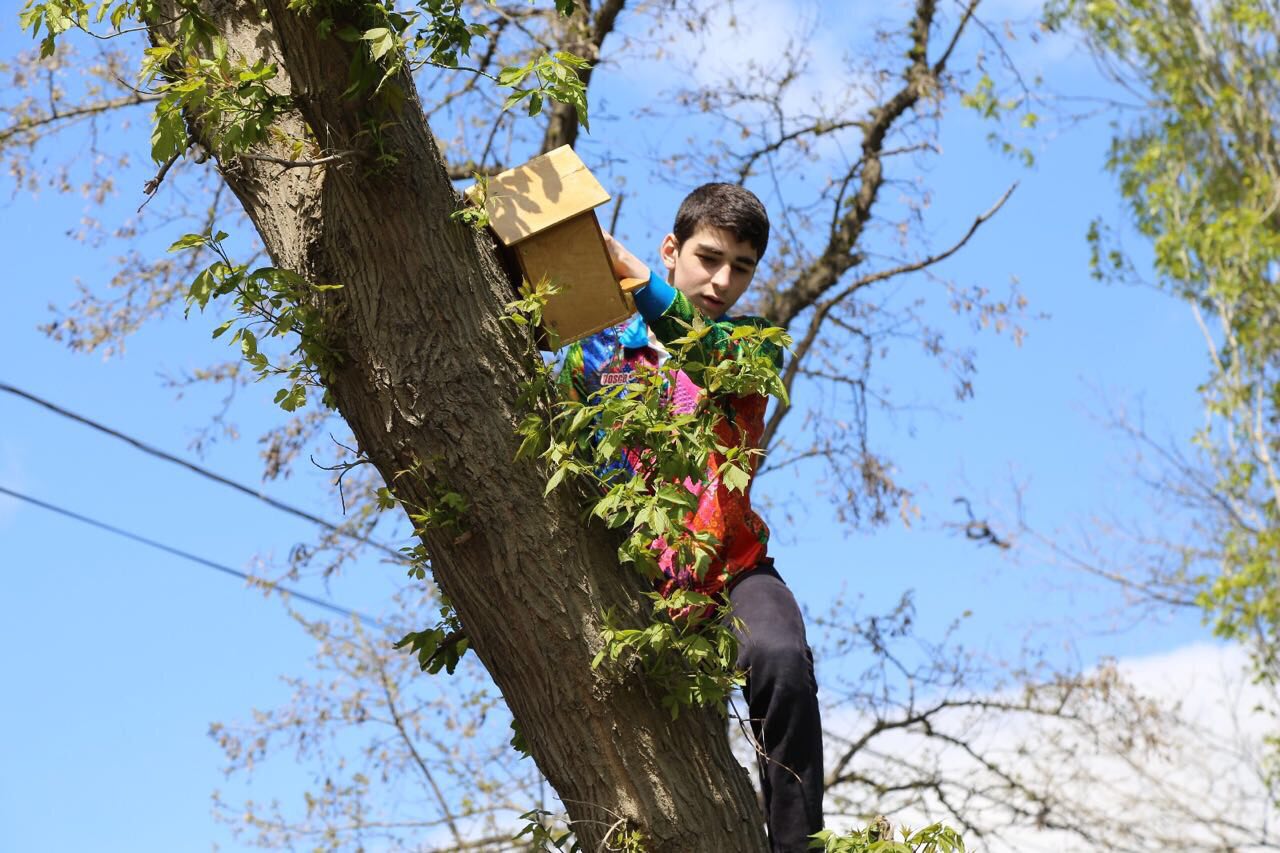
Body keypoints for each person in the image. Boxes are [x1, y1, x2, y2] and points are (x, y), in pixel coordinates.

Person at [558, 183, 824, 851]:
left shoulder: (755, 343)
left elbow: (706, 351)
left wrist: (644, 285)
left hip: (731, 567)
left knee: (781, 656)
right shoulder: (599, 349)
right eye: (709, 257)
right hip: (636, 575)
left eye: (741, 267)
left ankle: (797, 844)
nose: (723, 279)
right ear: (672, 248)